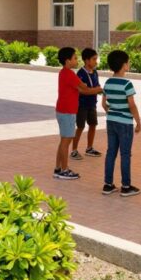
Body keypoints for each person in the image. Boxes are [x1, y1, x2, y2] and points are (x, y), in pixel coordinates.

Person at [100, 49, 141, 197]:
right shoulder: (127, 84)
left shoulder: (108, 82)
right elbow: (132, 105)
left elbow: (103, 104)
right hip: (125, 123)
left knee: (111, 152)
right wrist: (138, 121)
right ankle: (126, 186)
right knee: (125, 154)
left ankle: (108, 184)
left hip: (111, 121)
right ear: (124, 65)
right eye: (128, 62)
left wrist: (111, 113)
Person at [54, 47, 98, 180]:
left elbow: (82, 87)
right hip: (67, 111)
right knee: (66, 141)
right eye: (74, 58)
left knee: (63, 141)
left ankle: (58, 168)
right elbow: (84, 87)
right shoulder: (69, 74)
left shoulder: (64, 72)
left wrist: (88, 86)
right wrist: (99, 89)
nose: (76, 60)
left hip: (63, 110)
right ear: (67, 61)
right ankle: (64, 170)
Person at [71, 48, 104, 160]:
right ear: (86, 60)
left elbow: (98, 87)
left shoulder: (95, 73)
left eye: (96, 59)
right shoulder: (80, 73)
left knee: (93, 125)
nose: (96, 62)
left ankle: (89, 148)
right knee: (80, 126)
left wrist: (96, 90)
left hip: (92, 104)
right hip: (82, 105)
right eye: (94, 59)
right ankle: (74, 150)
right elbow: (81, 90)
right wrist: (95, 90)